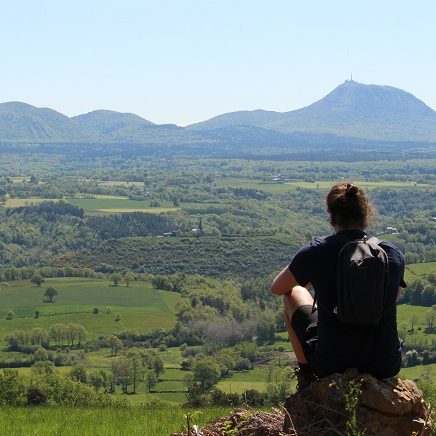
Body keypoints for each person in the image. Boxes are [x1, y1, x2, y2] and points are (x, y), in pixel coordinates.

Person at [271, 182, 406, 388]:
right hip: (385, 363)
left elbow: (278, 288)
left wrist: (316, 278)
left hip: (332, 362)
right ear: (365, 215)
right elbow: (393, 296)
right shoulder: (391, 253)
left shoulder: (317, 251)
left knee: (293, 292)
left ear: (332, 216)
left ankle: (307, 375)